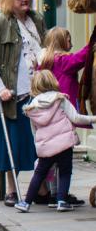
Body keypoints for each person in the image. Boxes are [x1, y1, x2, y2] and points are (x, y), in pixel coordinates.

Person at [0, 0, 46, 206]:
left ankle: (43, 187)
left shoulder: (36, 20)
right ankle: (11, 188)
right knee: (13, 143)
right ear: (9, 1)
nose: (25, 0)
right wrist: (0, 89)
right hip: (13, 93)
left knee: (42, 142)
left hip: (38, 91)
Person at [17, 70, 96, 212]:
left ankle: (26, 203)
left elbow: (34, 131)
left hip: (45, 147)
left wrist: (39, 145)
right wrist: (92, 118)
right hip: (64, 144)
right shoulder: (60, 99)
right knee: (65, 172)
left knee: (39, 174)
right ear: (53, 81)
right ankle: (61, 201)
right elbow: (76, 118)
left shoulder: (33, 106)